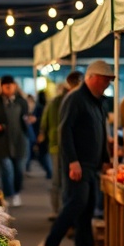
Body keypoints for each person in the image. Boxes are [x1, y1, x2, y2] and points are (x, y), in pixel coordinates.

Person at [37, 61, 114, 246]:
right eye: (106, 79)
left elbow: (102, 132)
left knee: (87, 207)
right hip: (77, 164)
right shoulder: (76, 98)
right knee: (76, 202)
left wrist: (106, 159)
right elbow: (65, 131)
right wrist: (73, 162)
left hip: (91, 164)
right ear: (92, 77)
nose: (108, 83)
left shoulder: (98, 101)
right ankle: (49, 245)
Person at [39, 71, 83, 219]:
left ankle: (58, 211)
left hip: (56, 144)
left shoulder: (57, 101)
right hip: (61, 145)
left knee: (59, 179)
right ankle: (60, 212)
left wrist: (43, 133)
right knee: (61, 180)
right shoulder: (69, 100)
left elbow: (45, 120)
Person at [0, 76, 32, 207]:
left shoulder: (22, 102)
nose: (9, 89)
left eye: (11, 86)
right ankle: (9, 194)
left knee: (19, 170)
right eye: (6, 86)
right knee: (7, 169)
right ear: (2, 87)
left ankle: (16, 192)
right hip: (2, 142)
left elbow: (25, 119)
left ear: (15, 86)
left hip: (19, 141)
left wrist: (28, 122)